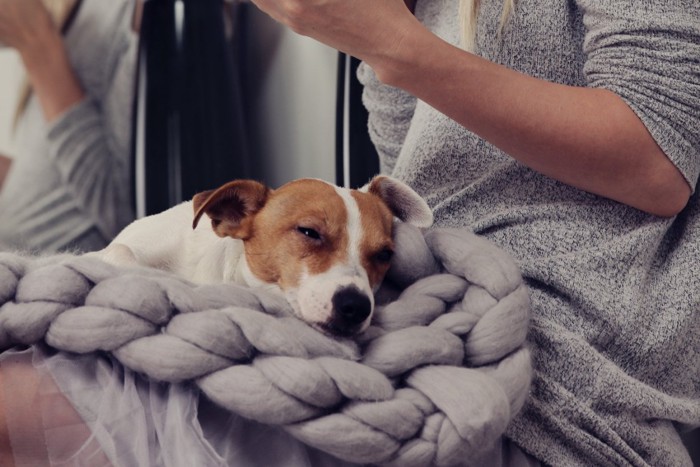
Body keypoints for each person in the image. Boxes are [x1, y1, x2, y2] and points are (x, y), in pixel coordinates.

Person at [245, 0, 700, 465]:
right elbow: (412, 194)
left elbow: (659, 167)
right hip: (426, 328)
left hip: (550, 378)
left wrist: (393, 43)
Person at [0, 0, 138, 254]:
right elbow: (57, 186)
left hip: (48, 280)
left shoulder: (139, 14)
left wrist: (37, 44)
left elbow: (133, 222)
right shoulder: (83, 9)